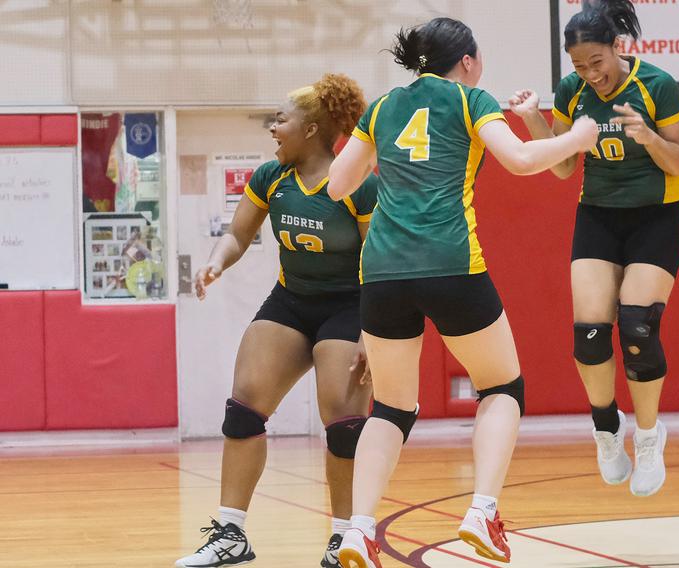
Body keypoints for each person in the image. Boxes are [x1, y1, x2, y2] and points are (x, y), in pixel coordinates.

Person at [326, 17, 598, 568]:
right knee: (502, 386)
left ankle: (357, 532)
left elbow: (337, 186)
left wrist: (397, 174)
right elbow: (521, 161)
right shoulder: (471, 100)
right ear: (468, 61)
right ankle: (480, 512)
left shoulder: (381, 107)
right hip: (450, 261)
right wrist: (578, 137)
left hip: (381, 270)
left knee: (391, 407)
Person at [175, 74, 378, 568]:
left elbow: (380, 261)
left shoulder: (354, 184)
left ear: (310, 129)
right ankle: (231, 534)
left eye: (281, 120)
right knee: (244, 407)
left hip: (349, 306)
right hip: (291, 301)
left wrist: (375, 330)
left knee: (344, 423)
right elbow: (238, 234)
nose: (273, 129)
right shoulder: (271, 177)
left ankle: (344, 539)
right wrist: (216, 261)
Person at [509, 0, 679, 497]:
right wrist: (532, 120)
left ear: (617, 48)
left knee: (637, 325)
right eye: (579, 66)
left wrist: (647, 136)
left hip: (658, 216)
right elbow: (565, 166)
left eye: (597, 63)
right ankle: (608, 430)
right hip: (599, 217)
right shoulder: (572, 92)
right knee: (589, 336)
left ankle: (649, 437)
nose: (590, 75)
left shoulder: (657, 84)